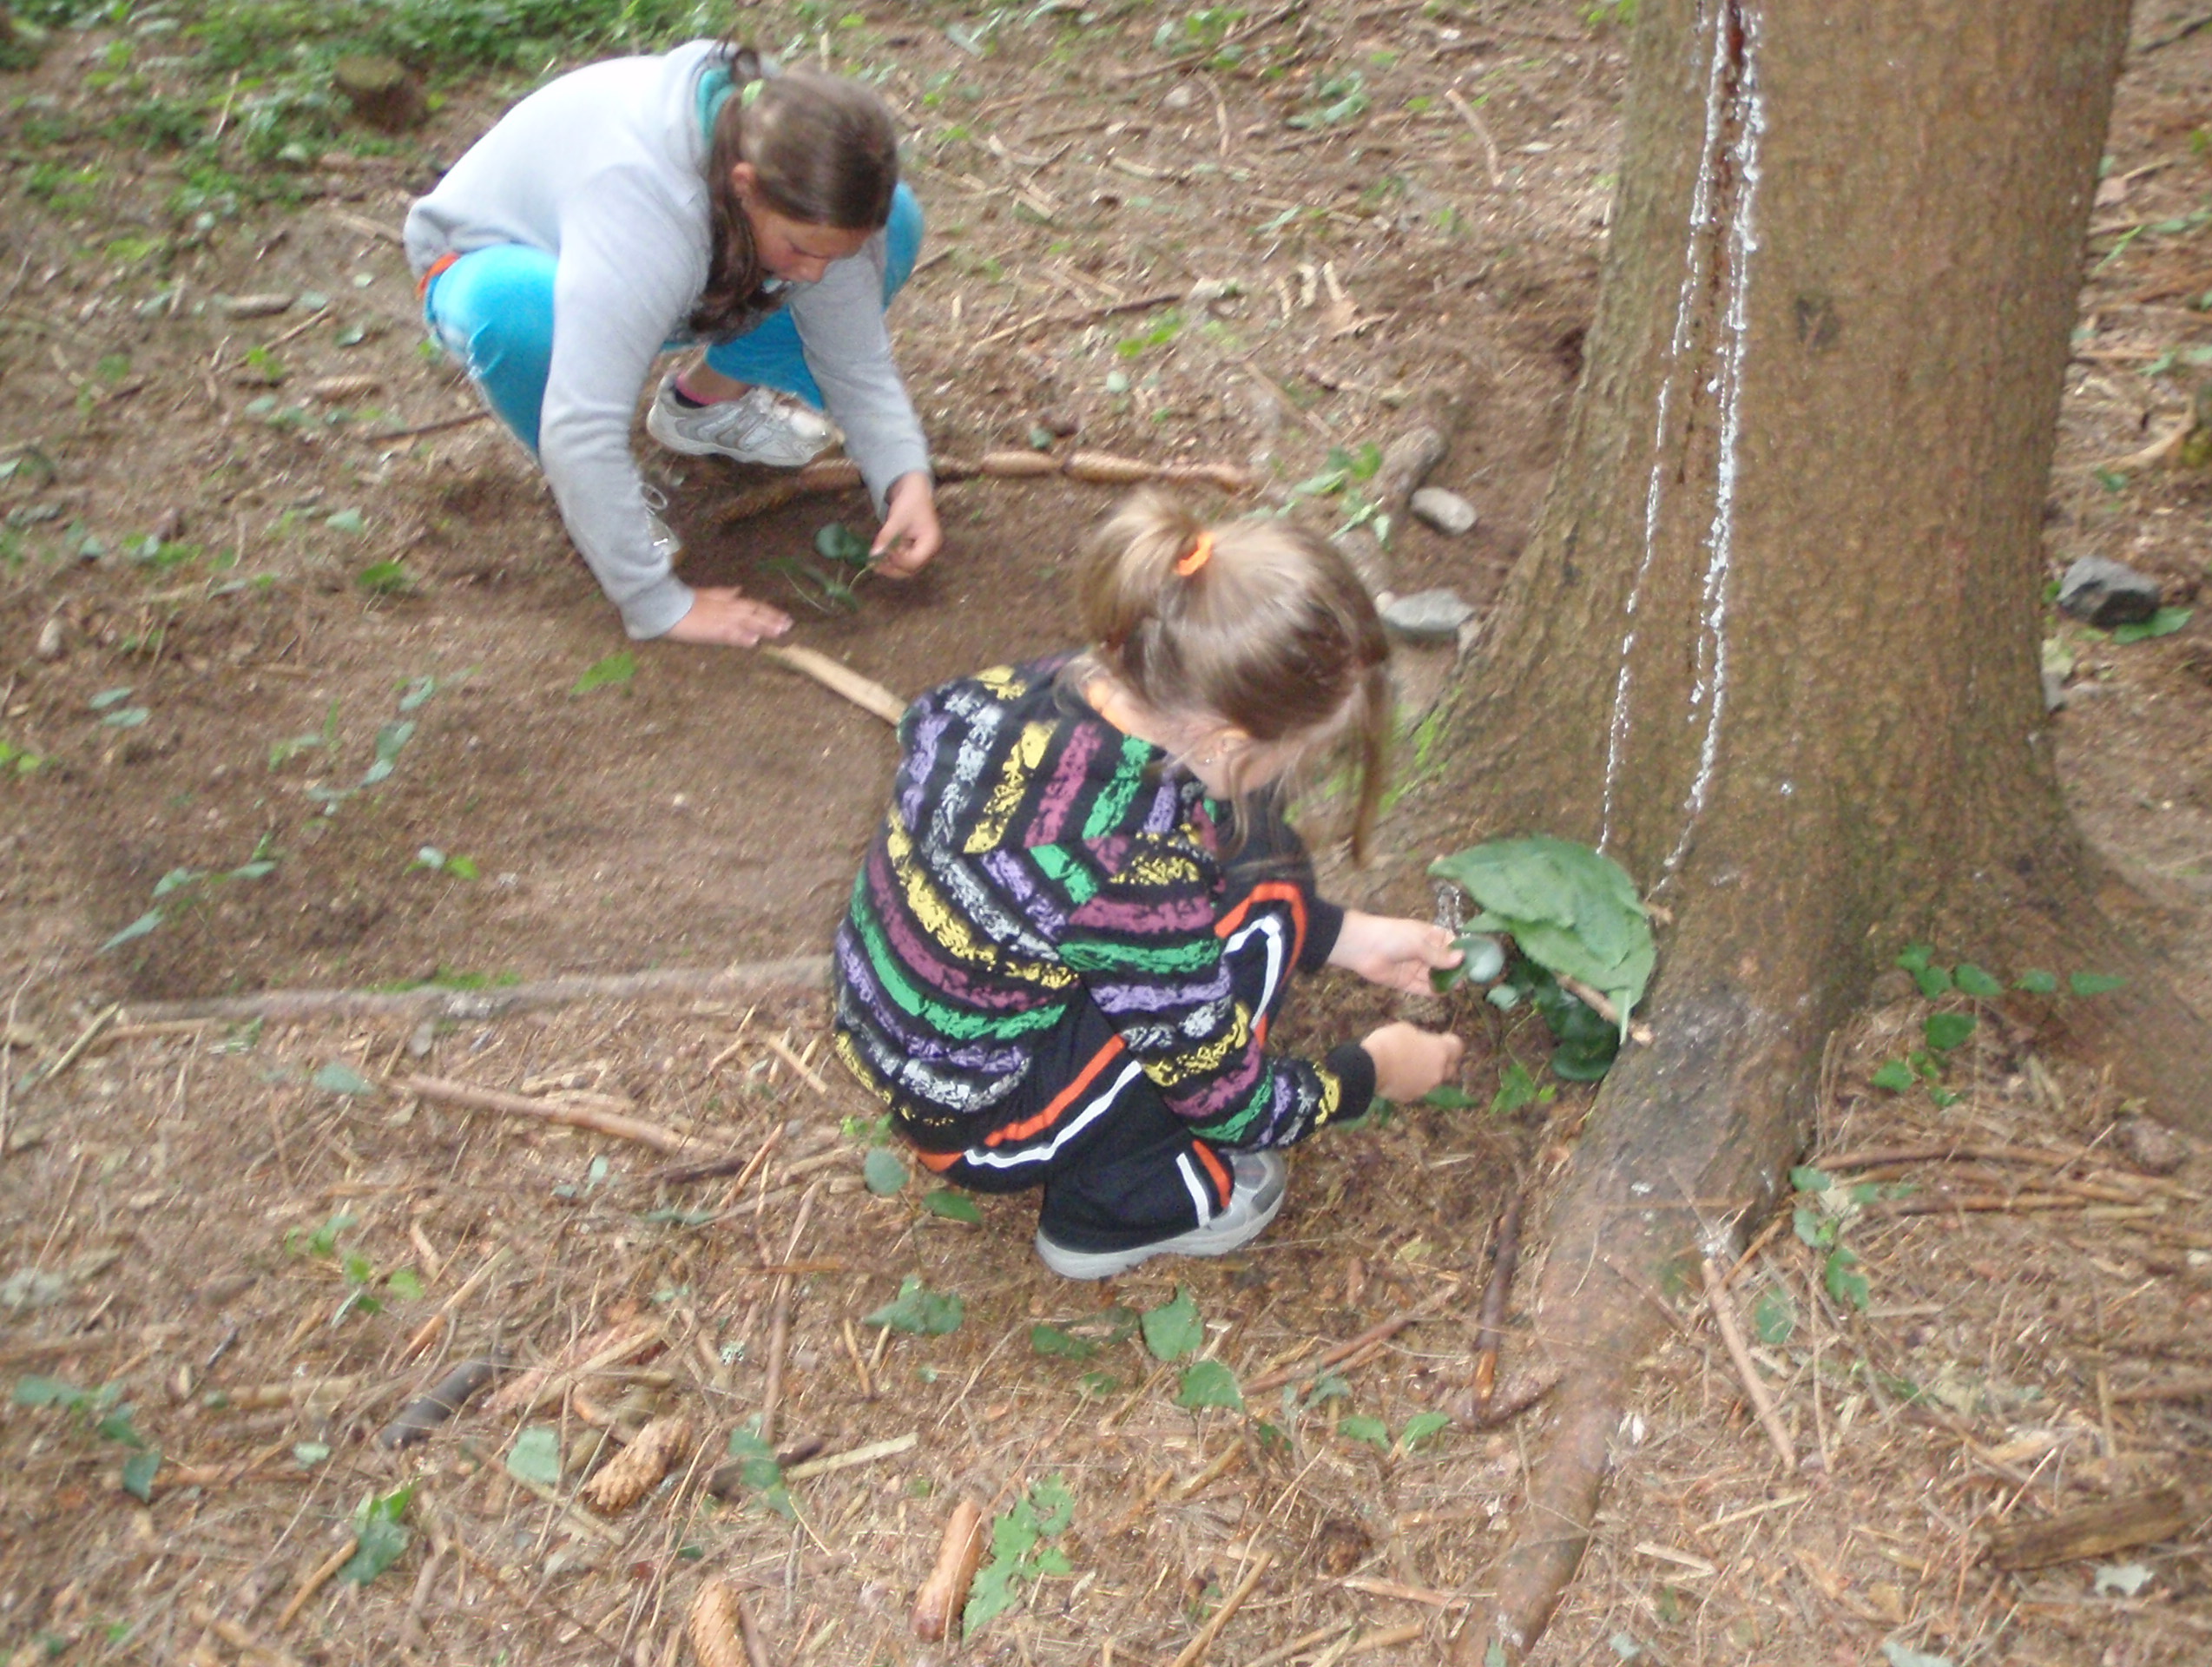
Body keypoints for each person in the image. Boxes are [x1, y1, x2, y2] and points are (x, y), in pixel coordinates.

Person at [832, 491, 1468, 1280]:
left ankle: (1113, 1140)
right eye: (1296, 753)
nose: (1298, 770)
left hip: (915, 1038)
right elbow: (1231, 1103)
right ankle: (1119, 1207)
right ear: (1227, 738)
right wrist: (1370, 1074)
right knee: (1260, 904)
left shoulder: (1034, 691)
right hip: (981, 1125)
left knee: (1253, 846)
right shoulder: (1128, 867)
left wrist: (1349, 939)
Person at [402, 38, 940, 649]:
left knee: (893, 225)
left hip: (655, 273)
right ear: (745, 186)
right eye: (800, 248)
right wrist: (656, 603)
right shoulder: (645, 210)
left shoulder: (801, 162)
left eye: (826, 254)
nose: (813, 275)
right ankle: (605, 505)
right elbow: (580, 427)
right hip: (493, 265)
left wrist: (904, 477)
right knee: (519, 318)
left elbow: (855, 361)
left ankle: (704, 403)